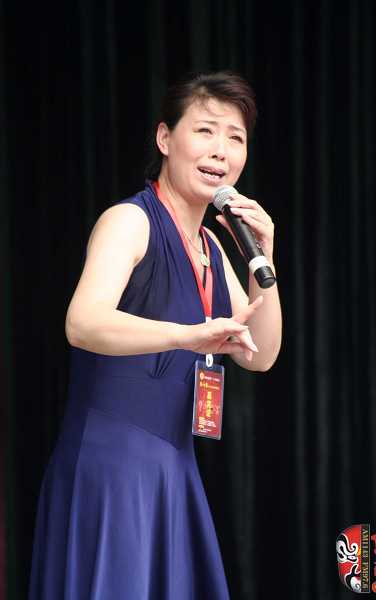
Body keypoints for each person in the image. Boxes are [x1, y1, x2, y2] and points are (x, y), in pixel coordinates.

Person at [28, 71, 282, 600]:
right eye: (205, 130)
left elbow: (261, 356)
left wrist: (265, 258)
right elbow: (82, 322)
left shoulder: (213, 246)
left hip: (174, 469)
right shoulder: (130, 221)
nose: (221, 150)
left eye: (235, 137)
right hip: (111, 467)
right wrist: (187, 335)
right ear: (165, 138)